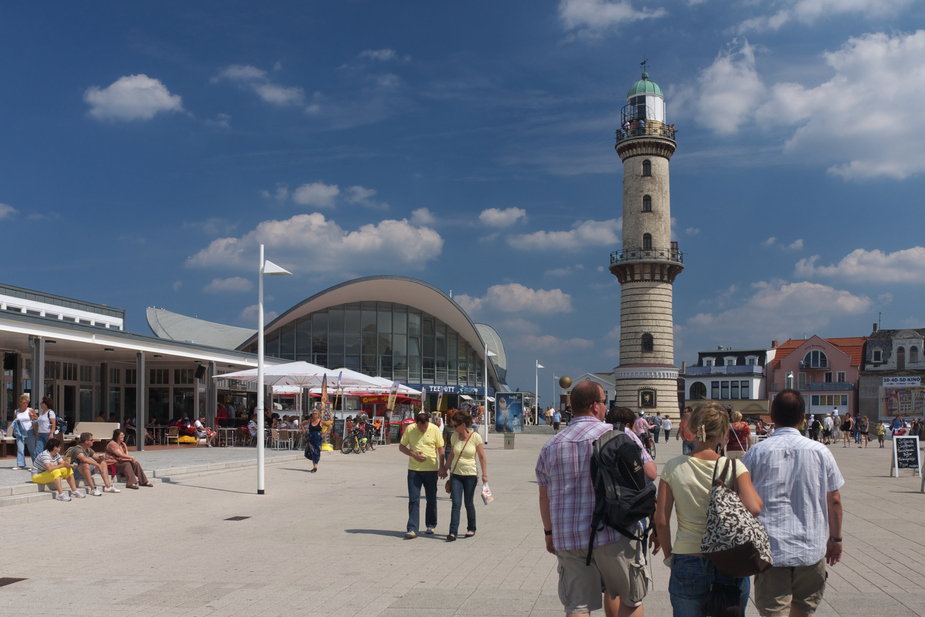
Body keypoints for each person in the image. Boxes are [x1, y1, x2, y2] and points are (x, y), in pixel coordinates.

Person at [536, 381, 650, 617]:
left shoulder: (551, 446)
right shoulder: (620, 435)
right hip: (616, 531)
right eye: (604, 401)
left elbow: (544, 496)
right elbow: (650, 473)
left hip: (570, 536)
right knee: (630, 599)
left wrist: (549, 533)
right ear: (595, 406)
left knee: (577, 605)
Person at [656, 401, 763, 617]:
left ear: (693, 430)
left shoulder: (673, 466)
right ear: (724, 433)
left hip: (687, 558)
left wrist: (670, 557)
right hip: (729, 559)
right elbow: (754, 507)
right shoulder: (733, 466)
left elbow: (661, 520)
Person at [743, 389, 844, 617]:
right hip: (810, 547)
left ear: (772, 415)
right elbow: (834, 499)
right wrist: (836, 538)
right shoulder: (821, 452)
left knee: (773, 611)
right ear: (802, 418)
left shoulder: (755, 453)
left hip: (771, 549)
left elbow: (742, 500)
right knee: (803, 610)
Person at [439, 409, 487, 541]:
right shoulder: (454, 437)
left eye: (455, 425)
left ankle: (471, 528)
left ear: (463, 425)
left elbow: (482, 457)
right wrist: (444, 469)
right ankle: (452, 532)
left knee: (468, 503)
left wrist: (484, 474)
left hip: (471, 475)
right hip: (456, 475)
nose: (453, 428)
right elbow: (452, 455)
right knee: (456, 503)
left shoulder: (475, 437)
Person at [399, 411, 445, 539]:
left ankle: (431, 524)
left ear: (428, 423)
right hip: (414, 470)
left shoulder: (434, 429)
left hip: (431, 470)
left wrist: (442, 466)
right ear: (416, 423)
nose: (423, 430)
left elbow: (441, 448)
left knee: (431, 499)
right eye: (420, 427)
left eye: (425, 428)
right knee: (414, 499)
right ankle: (412, 528)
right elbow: (401, 447)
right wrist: (412, 454)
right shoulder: (410, 429)